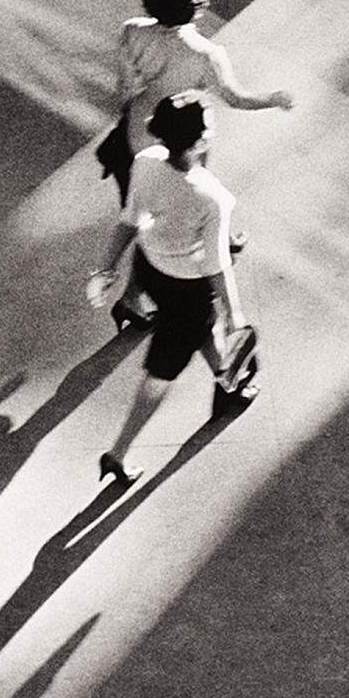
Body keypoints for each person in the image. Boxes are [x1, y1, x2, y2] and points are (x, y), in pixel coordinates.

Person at [103, 0, 293, 328]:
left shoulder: (132, 31)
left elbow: (125, 87)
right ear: (199, 5)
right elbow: (236, 98)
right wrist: (272, 99)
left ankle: (202, 242)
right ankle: (135, 296)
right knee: (182, 204)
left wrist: (133, 114)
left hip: (142, 130)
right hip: (186, 134)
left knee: (151, 205)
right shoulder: (207, 55)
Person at [91, 94, 258, 490]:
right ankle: (117, 455)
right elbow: (217, 262)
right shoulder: (210, 197)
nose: (213, 132)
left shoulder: (146, 161)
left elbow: (129, 221)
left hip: (150, 269)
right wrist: (238, 315)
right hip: (187, 288)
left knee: (202, 325)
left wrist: (106, 268)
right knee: (160, 376)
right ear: (199, 142)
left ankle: (228, 381)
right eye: (210, 127)